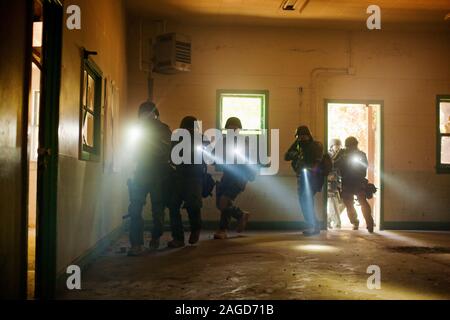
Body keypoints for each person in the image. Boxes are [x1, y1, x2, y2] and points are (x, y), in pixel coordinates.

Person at [126, 101, 173, 256]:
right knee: (135, 209)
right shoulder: (137, 129)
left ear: (155, 114)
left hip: (158, 173)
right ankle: (137, 243)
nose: (146, 116)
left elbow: (166, 151)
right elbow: (131, 150)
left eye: (149, 113)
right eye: (143, 113)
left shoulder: (163, 129)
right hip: (141, 172)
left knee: (157, 210)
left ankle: (154, 238)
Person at [167, 116, 205, 248]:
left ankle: (181, 237)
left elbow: (171, 157)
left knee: (181, 206)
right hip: (188, 177)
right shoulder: (199, 138)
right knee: (189, 206)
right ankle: (192, 231)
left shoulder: (181, 138)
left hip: (186, 177)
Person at [214, 117, 254, 240]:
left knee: (224, 201)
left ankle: (223, 229)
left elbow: (250, 160)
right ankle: (240, 215)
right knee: (221, 204)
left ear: (238, 129)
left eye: (234, 128)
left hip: (238, 177)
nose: (232, 130)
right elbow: (214, 156)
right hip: (227, 176)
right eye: (230, 128)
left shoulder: (244, 142)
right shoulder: (223, 142)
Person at [285, 126, 324, 236]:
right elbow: (286, 156)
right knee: (304, 202)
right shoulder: (298, 144)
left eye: (303, 136)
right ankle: (313, 225)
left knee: (306, 202)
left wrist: (312, 170)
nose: (301, 138)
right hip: (302, 176)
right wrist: (295, 154)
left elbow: (318, 161)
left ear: (308, 135)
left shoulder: (315, 145)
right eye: (299, 136)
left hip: (311, 178)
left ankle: (314, 226)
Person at [335, 136, 374, 233]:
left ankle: (369, 223)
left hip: (358, 181)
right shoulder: (342, 153)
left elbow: (364, 168)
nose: (351, 148)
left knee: (362, 201)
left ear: (356, 145)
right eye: (349, 146)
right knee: (348, 204)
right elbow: (334, 164)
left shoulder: (361, 155)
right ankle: (355, 222)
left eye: (353, 146)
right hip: (346, 181)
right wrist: (342, 158)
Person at [327, 139, 345, 229]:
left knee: (343, 203)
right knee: (333, 202)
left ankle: (327, 220)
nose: (338, 147)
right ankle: (337, 223)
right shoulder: (328, 155)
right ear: (331, 146)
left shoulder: (341, 155)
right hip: (329, 182)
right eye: (336, 145)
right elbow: (329, 165)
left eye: (339, 145)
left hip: (337, 183)